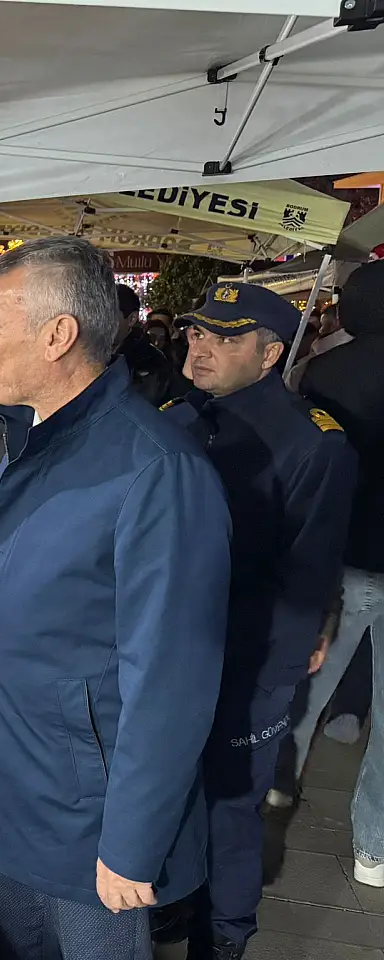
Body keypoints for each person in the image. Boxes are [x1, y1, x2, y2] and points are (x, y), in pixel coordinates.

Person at [0, 237, 232, 960]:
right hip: (15, 784)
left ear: (58, 336)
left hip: (88, 818)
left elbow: (171, 680)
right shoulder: (32, 435)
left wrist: (133, 842)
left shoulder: (156, 469)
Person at [157, 283, 357, 958]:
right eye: (197, 333)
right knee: (168, 790)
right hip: (168, 651)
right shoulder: (175, 417)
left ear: (271, 354)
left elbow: (310, 569)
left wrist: (281, 668)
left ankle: (225, 932)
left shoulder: (312, 443)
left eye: (225, 337)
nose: (201, 347)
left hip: (247, 657)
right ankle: (177, 898)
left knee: (230, 806)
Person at [279, 260, 384, 888]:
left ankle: (273, 792)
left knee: (306, 685)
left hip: (343, 555)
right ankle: (375, 848)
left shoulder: (321, 373)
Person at [114, 284, 172, 405]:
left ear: (132, 318)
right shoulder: (88, 352)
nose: (100, 321)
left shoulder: (152, 362)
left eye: (109, 315)